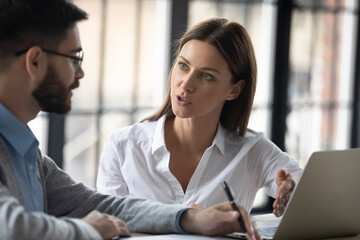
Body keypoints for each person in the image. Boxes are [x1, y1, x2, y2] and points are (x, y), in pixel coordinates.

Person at [0, 1, 262, 240]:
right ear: (35, 61)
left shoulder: (28, 155)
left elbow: (105, 206)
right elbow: (12, 228)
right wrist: (89, 230)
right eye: (73, 58)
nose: (80, 73)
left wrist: (191, 217)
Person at [97, 17, 303, 217]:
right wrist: (190, 220)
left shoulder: (251, 150)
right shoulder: (122, 147)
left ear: (234, 90)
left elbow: (305, 186)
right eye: (183, 66)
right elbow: (112, 227)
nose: (186, 84)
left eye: (206, 76)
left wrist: (290, 187)